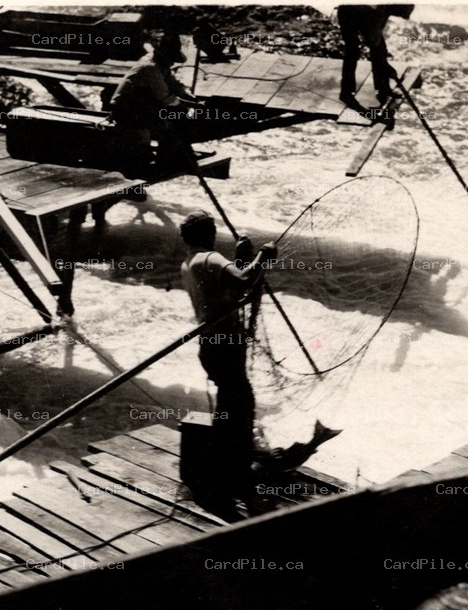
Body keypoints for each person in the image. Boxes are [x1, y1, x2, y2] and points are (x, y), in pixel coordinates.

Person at [177, 212, 339, 513]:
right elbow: (246, 281)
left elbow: (230, 289)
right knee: (241, 407)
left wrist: (241, 258)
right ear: (210, 233)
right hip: (225, 346)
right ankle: (231, 476)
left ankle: (229, 471)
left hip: (211, 347)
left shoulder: (190, 263)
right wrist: (263, 256)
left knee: (233, 407)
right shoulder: (211, 258)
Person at [109, 31, 204, 174]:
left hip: (142, 107)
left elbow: (173, 84)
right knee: (174, 119)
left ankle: (174, 153)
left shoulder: (160, 65)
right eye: (171, 59)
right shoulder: (150, 68)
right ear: (163, 56)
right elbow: (166, 98)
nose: (173, 62)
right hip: (126, 110)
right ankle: (168, 158)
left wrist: (190, 97)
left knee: (174, 117)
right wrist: (185, 108)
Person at [336, 5, 414, 109]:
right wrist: (386, 66)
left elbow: (376, 42)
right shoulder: (379, 12)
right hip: (348, 14)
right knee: (352, 49)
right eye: (402, 14)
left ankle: (383, 88)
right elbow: (372, 42)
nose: (404, 17)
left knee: (381, 49)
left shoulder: (385, 8)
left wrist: (385, 65)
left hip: (363, 14)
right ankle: (346, 93)